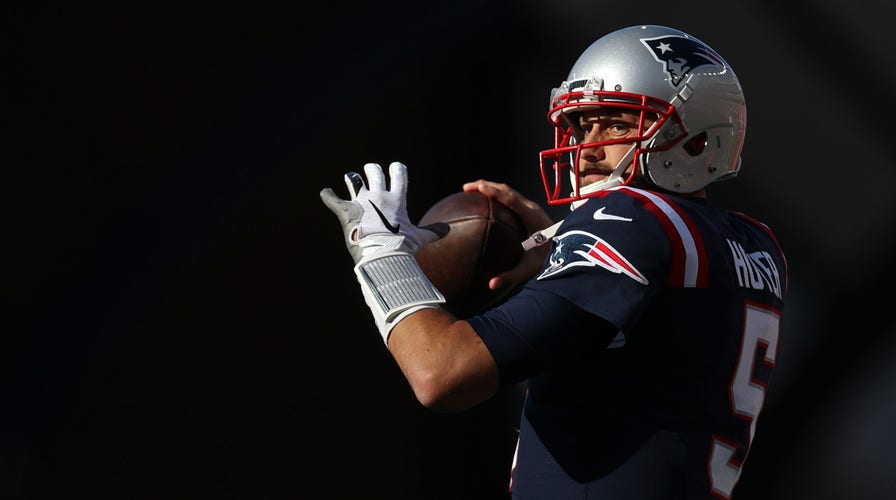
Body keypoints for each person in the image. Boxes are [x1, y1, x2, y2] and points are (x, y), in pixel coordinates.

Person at [320, 24, 787, 499]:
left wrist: (381, 253)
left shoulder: (632, 218)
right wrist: (560, 253)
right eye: (583, 124)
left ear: (697, 141)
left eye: (619, 125)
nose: (588, 148)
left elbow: (442, 373)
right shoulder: (756, 245)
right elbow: (654, 333)